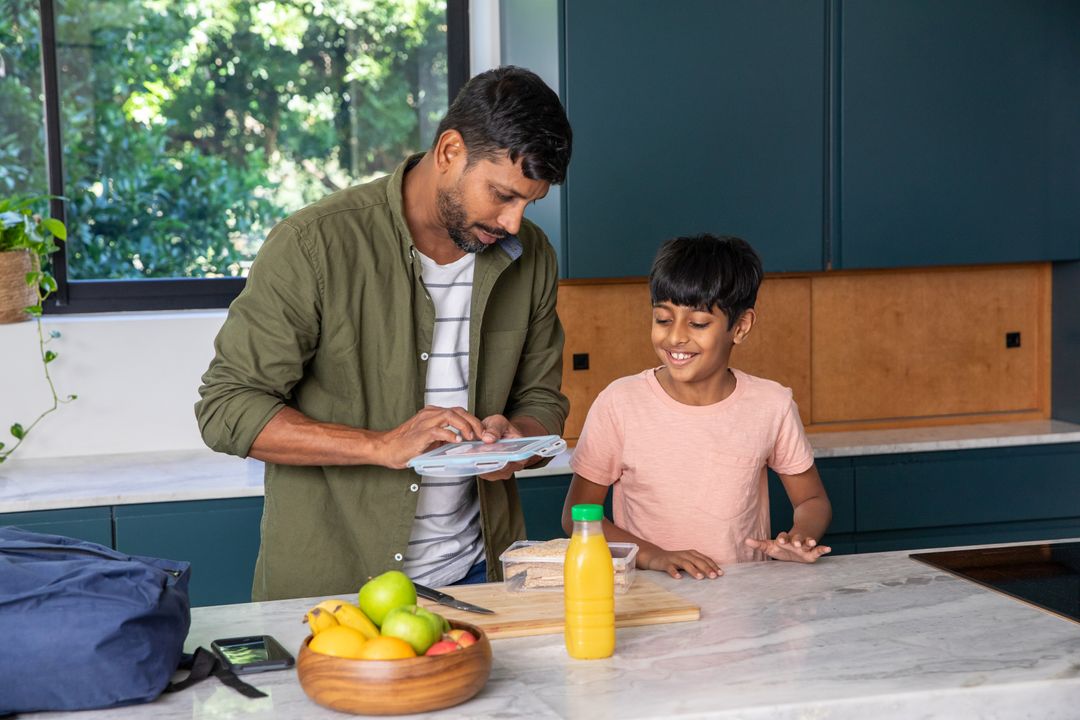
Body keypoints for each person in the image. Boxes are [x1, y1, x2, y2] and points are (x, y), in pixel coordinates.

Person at [196, 66, 572, 601]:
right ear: (449, 152)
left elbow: (541, 397)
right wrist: (382, 445)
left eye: (528, 204)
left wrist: (515, 441)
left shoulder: (529, 256)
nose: (514, 223)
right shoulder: (314, 244)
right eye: (501, 195)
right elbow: (226, 408)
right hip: (337, 591)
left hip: (482, 581)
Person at [561, 234, 832, 580]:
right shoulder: (619, 403)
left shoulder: (771, 404)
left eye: (698, 323)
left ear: (741, 326)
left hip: (742, 602)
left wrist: (799, 538)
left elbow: (812, 501)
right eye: (662, 319)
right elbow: (577, 517)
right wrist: (655, 556)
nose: (675, 337)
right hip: (651, 596)